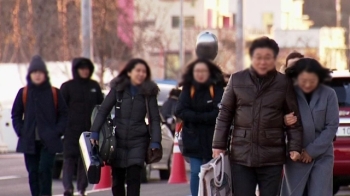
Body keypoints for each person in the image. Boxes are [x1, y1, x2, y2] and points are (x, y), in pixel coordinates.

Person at [212, 37, 303, 196]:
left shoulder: (283, 83)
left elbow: (293, 118)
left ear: (274, 58)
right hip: (241, 154)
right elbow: (224, 114)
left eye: (267, 58)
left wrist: (295, 146)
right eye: (258, 57)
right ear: (251, 58)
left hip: (272, 156)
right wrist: (218, 145)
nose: (262, 62)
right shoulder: (237, 79)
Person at [89, 58, 161, 196]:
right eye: (138, 71)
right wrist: (95, 132)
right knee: (117, 181)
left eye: (144, 72)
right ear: (129, 72)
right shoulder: (118, 89)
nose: (141, 74)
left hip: (139, 140)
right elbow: (103, 110)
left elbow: (155, 119)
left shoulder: (149, 93)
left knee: (134, 178)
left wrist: (155, 141)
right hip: (118, 140)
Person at [11, 55, 68, 196]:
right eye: (34, 72)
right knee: (33, 173)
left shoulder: (54, 92)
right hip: (29, 140)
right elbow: (16, 115)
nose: (37, 75)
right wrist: (21, 131)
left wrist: (57, 131)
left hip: (49, 141)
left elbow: (64, 114)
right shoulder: (23, 92)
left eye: (40, 72)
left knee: (44, 170)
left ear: (45, 74)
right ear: (30, 74)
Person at [281, 58, 339, 196]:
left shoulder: (329, 94)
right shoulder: (288, 93)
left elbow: (331, 126)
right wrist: (283, 120)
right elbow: (273, 118)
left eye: (312, 81)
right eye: (303, 80)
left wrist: (311, 151)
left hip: (322, 155)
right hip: (295, 154)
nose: (307, 85)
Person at [175, 58, 225, 196]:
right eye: (197, 71)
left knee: (212, 172)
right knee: (196, 172)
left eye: (203, 71)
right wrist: (201, 117)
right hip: (193, 138)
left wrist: (200, 117)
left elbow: (220, 111)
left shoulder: (216, 87)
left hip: (213, 139)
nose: (200, 74)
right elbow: (179, 110)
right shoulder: (188, 88)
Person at [60, 58, 104, 196]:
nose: (85, 71)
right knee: (69, 159)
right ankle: (68, 188)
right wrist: (62, 127)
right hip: (71, 130)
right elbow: (61, 109)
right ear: (76, 70)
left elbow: (101, 108)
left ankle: (82, 188)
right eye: (82, 69)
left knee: (85, 160)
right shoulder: (67, 87)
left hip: (89, 131)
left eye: (87, 69)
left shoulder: (94, 86)